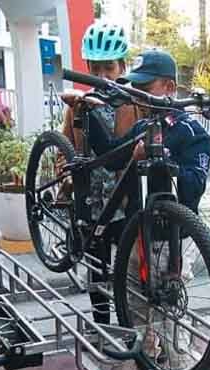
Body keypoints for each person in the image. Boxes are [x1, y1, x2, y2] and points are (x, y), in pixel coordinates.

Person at [65, 49, 210, 370]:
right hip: (136, 234)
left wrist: (158, 159)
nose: (139, 96)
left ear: (169, 87)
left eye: (146, 88)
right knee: (135, 307)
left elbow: (193, 186)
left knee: (166, 311)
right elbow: (111, 154)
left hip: (168, 239)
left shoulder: (192, 133)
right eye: (136, 88)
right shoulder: (145, 126)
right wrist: (86, 112)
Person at [60, 20, 143, 329]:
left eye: (109, 67)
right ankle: (101, 328)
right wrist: (66, 176)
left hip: (124, 201)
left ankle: (129, 327)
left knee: (127, 269)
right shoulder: (78, 106)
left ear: (122, 66)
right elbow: (65, 146)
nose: (103, 76)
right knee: (97, 269)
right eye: (96, 69)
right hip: (91, 201)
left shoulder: (135, 103)